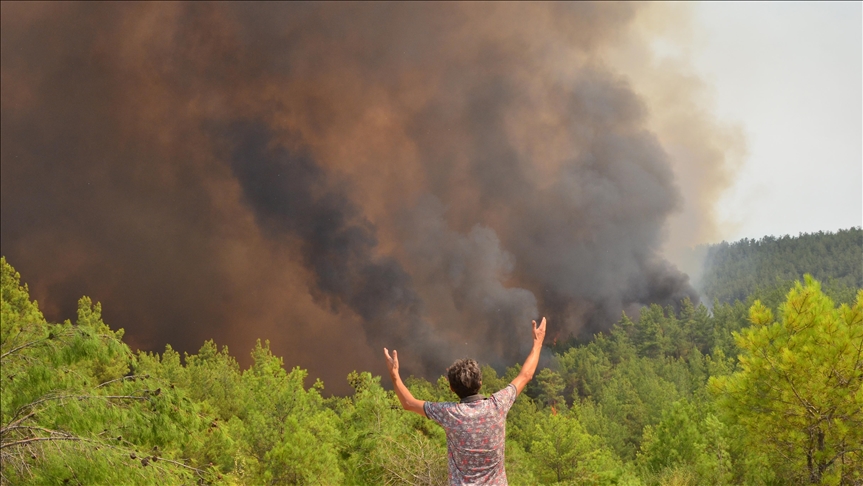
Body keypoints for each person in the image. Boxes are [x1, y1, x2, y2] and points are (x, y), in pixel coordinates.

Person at [383, 317, 547, 485]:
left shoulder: (449, 413)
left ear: (452, 389)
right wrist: (537, 342)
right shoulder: (498, 405)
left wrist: (394, 375)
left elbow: (408, 403)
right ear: (480, 382)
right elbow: (526, 375)